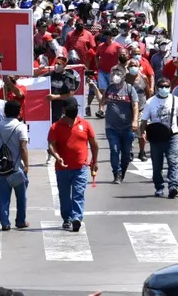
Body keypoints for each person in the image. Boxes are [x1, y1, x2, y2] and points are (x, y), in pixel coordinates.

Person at [47, 98, 98, 232]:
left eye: (75, 108)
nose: (74, 111)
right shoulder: (55, 127)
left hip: (80, 168)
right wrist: (57, 157)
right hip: (62, 169)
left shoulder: (85, 124)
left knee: (78, 194)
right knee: (64, 196)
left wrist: (94, 161)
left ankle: (76, 218)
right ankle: (67, 218)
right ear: (64, 110)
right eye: (71, 108)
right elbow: (51, 145)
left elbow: (94, 144)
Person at [140, 77, 178, 199]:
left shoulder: (175, 100)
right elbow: (144, 120)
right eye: (161, 86)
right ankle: (159, 187)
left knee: (172, 161)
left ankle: (173, 186)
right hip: (156, 137)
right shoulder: (150, 102)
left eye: (166, 86)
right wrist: (142, 133)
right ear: (156, 88)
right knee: (157, 165)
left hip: (172, 135)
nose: (164, 89)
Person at [0, 101, 29, 231]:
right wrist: (27, 165)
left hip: (2, 167)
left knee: (3, 197)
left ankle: (5, 223)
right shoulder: (21, 127)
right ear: (19, 112)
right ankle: (20, 221)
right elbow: (23, 147)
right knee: (21, 197)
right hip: (16, 168)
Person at [102, 65, 139, 184]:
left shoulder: (129, 89)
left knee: (126, 153)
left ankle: (122, 171)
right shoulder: (109, 88)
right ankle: (116, 173)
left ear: (123, 76)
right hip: (111, 127)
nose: (115, 77)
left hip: (127, 128)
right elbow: (102, 101)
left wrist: (135, 120)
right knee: (114, 150)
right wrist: (94, 87)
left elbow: (135, 106)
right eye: (113, 74)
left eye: (118, 74)